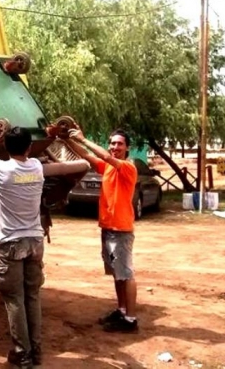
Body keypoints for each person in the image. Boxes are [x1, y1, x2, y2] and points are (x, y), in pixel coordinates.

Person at [0, 125, 46, 368]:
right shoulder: (37, 167)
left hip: (10, 244)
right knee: (32, 297)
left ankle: (21, 354)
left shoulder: (1, 170)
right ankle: (35, 351)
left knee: (14, 300)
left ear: (5, 146)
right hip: (35, 241)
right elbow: (23, 155)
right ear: (30, 147)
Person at [62, 127, 139, 333]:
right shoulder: (107, 167)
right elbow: (86, 155)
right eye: (112, 143)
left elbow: (100, 154)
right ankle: (121, 310)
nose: (115, 147)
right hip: (107, 227)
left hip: (121, 229)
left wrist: (83, 138)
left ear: (127, 148)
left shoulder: (127, 167)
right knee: (117, 273)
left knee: (126, 273)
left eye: (120, 144)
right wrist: (67, 140)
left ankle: (130, 319)